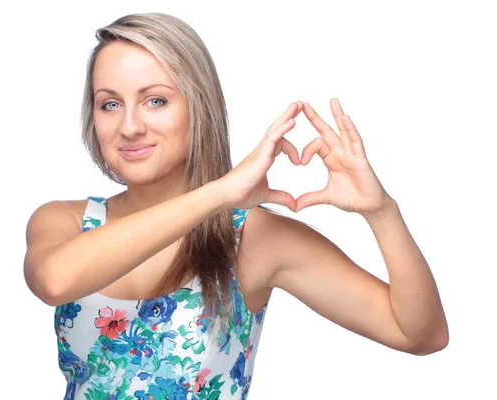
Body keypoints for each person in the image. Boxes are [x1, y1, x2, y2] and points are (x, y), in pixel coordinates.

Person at [23, 12, 449, 400]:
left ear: (199, 107)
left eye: (156, 100)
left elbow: (420, 334)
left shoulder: (253, 238)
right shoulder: (65, 221)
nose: (130, 126)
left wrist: (382, 213)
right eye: (110, 103)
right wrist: (220, 192)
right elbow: (54, 282)